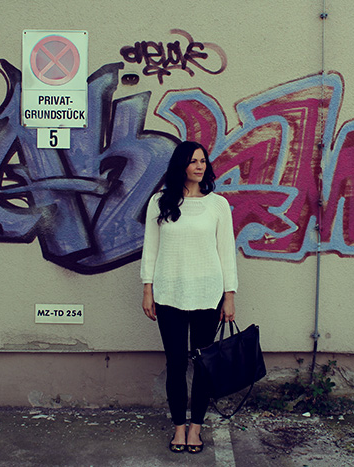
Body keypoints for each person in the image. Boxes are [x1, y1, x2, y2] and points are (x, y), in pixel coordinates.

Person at [141, 140, 238, 454]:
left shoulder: (217, 205)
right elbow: (151, 249)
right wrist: (147, 289)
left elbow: (226, 253)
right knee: (176, 363)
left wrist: (229, 296)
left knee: (203, 364)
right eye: (193, 161)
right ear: (180, 165)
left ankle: (196, 427)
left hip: (207, 295)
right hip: (169, 294)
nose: (199, 166)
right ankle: (179, 427)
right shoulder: (160, 202)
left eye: (203, 161)